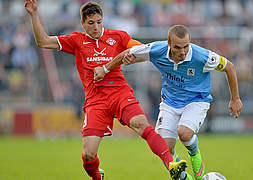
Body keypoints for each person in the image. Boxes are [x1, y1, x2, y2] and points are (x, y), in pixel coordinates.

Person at [24, 1, 187, 180]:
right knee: (88, 154)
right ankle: (97, 176)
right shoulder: (76, 40)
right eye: (91, 23)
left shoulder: (117, 36)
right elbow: (43, 41)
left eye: (99, 21)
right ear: (83, 23)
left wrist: (135, 55)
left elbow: (139, 49)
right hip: (96, 100)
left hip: (120, 93)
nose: (96, 27)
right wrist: (33, 14)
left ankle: (171, 164)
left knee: (141, 124)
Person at [94, 25, 243, 180]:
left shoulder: (201, 56)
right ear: (169, 44)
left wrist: (235, 99)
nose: (183, 51)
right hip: (169, 102)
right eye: (178, 47)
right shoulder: (157, 50)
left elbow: (229, 67)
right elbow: (128, 53)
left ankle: (194, 152)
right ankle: (187, 178)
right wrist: (105, 69)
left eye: (186, 46)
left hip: (196, 100)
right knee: (164, 148)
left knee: (184, 133)